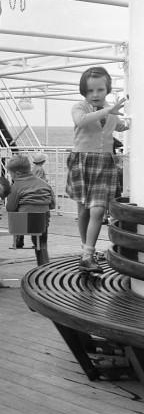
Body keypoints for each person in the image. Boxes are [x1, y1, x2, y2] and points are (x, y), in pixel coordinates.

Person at [66, 66, 129, 273]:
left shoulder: (111, 109)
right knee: (84, 210)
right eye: (90, 90)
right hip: (82, 161)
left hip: (105, 162)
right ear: (84, 91)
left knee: (98, 209)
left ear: (107, 89)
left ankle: (87, 253)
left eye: (100, 90)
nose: (95, 94)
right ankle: (87, 253)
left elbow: (119, 126)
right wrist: (108, 111)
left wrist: (130, 120)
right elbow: (81, 122)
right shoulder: (79, 107)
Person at [6, 154, 55, 265]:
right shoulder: (45, 184)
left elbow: (10, 208)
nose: (11, 176)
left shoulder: (15, 187)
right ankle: (44, 267)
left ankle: (19, 238)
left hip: (21, 226)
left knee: (20, 212)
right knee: (41, 243)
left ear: (17, 173)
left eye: (11, 174)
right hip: (42, 223)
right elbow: (52, 205)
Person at [13, 151, 48, 248]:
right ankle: (38, 242)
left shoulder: (33, 169)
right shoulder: (40, 169)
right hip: (38, 210)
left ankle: (19, 239)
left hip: (23, 211)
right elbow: (40, 181)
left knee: (20, 214)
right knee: (38, 218)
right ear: (43, 161)